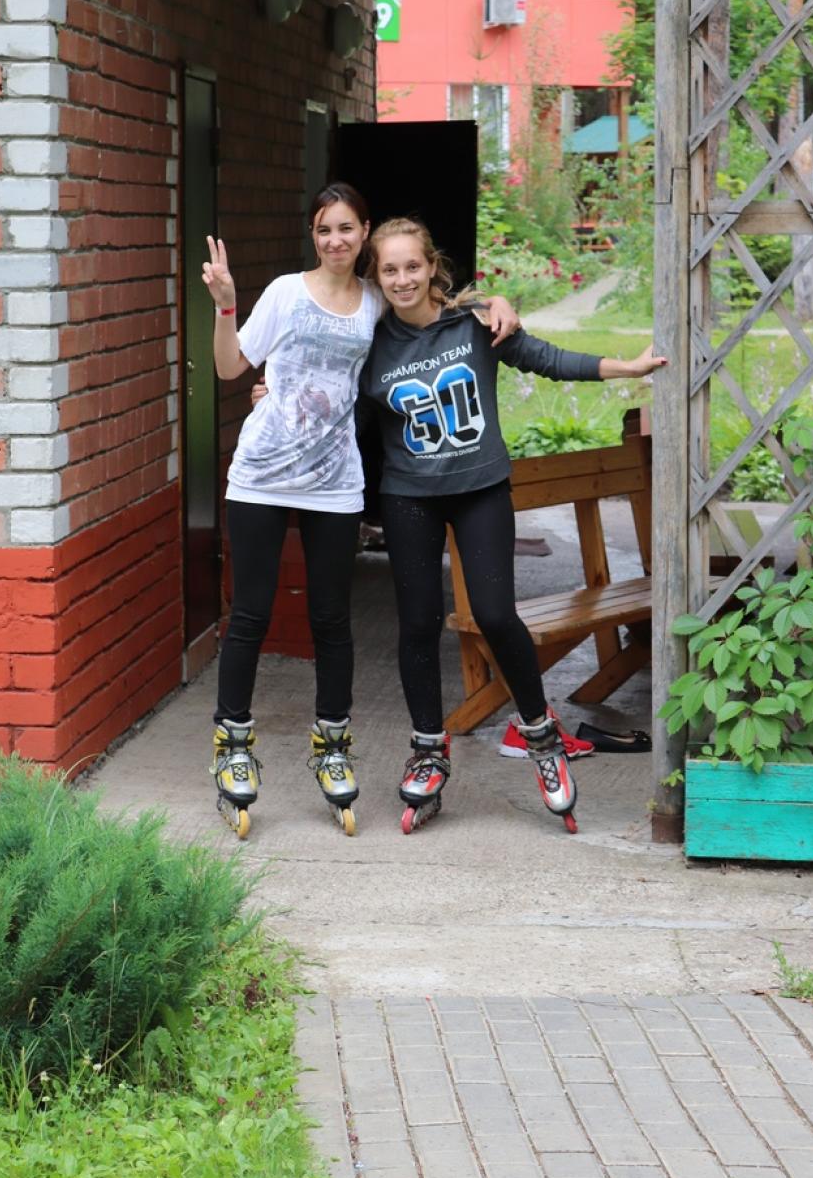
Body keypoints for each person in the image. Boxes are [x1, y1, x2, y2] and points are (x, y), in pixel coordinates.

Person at [201, 185, 519, 839]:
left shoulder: (376, 300)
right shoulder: (286, 293)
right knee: (252, 614)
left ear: (364, 232)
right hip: (261, 478)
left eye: (346, 228)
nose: (335, 240)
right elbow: (230, 365)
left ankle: (333, 744)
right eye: (324, 230)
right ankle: (232, 744)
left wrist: (495, 303)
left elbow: (432, 309)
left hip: (333, 483)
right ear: (313, 236)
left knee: (331, 620)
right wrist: (226, 304)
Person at [355, 217, 667, 835]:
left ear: (432, 266)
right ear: (377, 276)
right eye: (389, 269)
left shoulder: (477, 323)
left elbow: (545, 358)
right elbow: (334, 402)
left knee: (497, 615)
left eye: (412, 266)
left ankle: (541, 736)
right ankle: (428, 751)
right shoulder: (370, 342)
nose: (402, 279)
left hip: (480, 489)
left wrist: (626, 369)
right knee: (417, 624)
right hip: (410, 495)